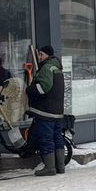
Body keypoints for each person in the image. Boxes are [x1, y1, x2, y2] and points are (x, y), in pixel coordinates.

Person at [26, 45, 65, 177]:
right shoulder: (57, 68)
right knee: (57, 138)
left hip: (45, 111)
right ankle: (60, 166)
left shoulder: (46, 68)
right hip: (57, 111)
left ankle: (49, 167)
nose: (39, 56)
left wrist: (29, 90)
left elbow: (43, 88)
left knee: (46, 138)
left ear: (47, 55)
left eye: (41, 54)